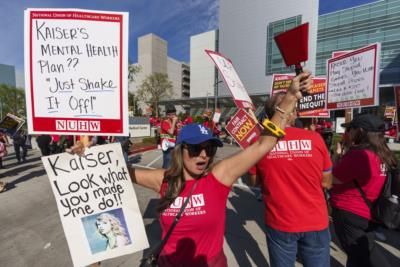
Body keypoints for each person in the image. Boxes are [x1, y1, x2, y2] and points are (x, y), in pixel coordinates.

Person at [126, 72, 312, 266]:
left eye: (209, 148)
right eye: (197, 148)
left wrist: (290, 97)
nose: (204, 155)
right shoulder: (164, 179)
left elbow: (262, 144)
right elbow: (121, 172)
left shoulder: (219, 176)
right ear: (181, 151)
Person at [248, 92, 333, 267]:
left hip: (280, 221)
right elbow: (326, 182)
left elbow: (254, 181)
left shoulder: (259, 142)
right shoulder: (315, 139)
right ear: (292, 112)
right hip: (315, 221)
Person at [330, 113, 396, 267]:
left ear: (359, 131)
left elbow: (331, 178)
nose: (347, 133)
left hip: (350, 213)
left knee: (362, 256)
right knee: (359, 255)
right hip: (371, 211)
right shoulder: (384, 154)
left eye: (350, 130)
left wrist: (337, 155)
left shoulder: (359, 155)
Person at [160, 104, 178, 169]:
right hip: (167, 146)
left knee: (172, 164)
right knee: (167, 164)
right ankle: (163, 176)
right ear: (168, 115)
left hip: (173, 145)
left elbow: (176, 134)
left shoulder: (174, 123)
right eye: (170, 114)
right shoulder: (164, 122)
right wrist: (174, 122)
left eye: (174, 113)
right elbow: (171, 132)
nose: (173, 115)